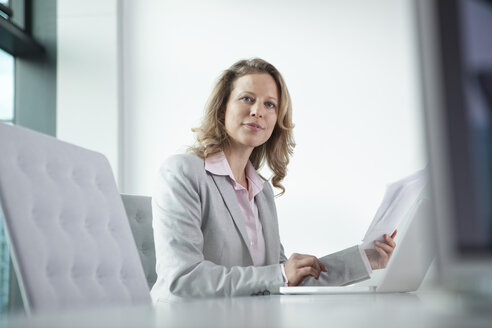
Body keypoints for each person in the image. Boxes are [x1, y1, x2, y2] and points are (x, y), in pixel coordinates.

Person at [150, 58, 397, 302]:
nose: (258, 111)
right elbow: (182, 278)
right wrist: (279, 274)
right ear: (223, 107)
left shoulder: (261, 189)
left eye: (270, 104)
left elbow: (285, 281)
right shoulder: (183, 172)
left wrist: (367, 258)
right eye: (247, 98)